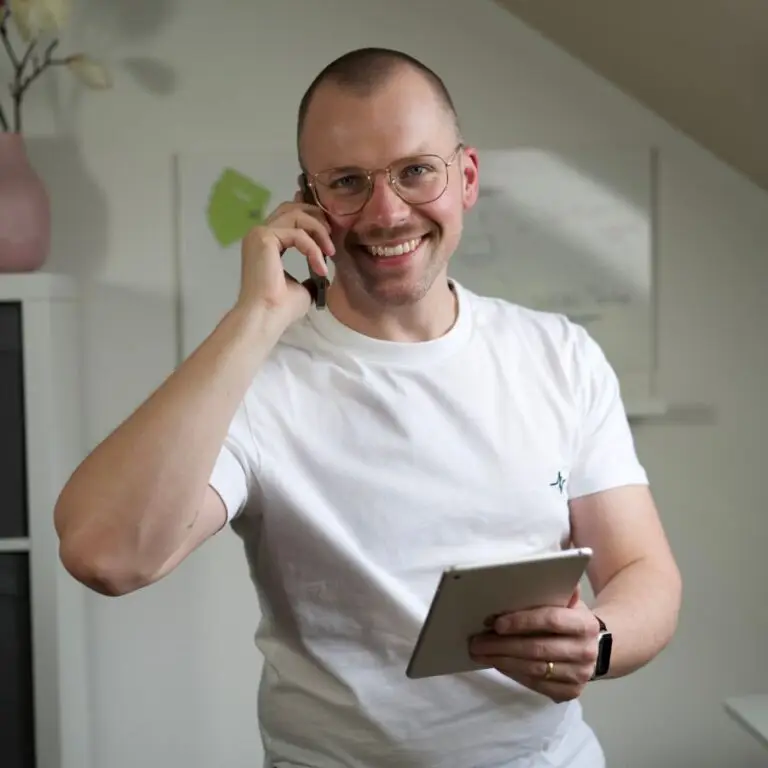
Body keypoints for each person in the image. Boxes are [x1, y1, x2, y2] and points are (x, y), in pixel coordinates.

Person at [54, 47, 682, 768]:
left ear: (466, 177)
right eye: (348, 182)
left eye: (417, 170)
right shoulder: (258, 381)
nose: (386, 213)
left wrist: (597, 640)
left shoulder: (559, 354)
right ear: (308, 203)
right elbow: (104, 556)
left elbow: (645, 574)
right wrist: (255, 316)